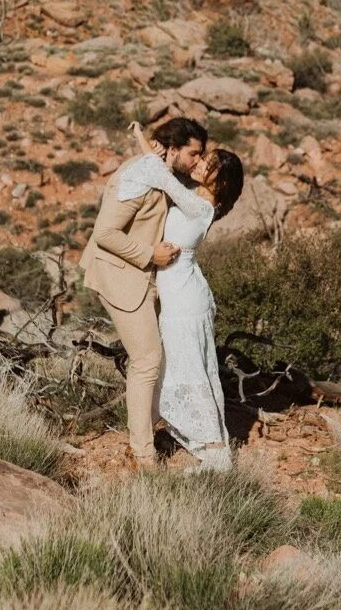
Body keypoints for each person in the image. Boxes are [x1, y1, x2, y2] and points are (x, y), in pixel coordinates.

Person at [82, 117, 207, 467]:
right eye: (194, 154)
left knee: (157, 358)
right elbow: (104, 233)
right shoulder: (138, 176)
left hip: (146, 279)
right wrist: (150, 254)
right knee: (147, 359)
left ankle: (145, 433)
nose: (197, 161)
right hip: (119, 276)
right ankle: (142, 454)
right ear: (173, 149)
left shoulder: (162, 172)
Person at [122, 121, 244, 470]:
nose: (201, 163)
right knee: (177, 366)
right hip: (180, 295)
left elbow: (162, 179)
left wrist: (143, 141)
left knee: (189, 371)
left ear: (220, 182)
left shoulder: (201, 207)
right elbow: (165, 176)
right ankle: (172, 439)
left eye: (210, 164)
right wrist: (147, 143)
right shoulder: (194, 197)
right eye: (203, 157)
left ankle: (215, 452)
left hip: (184, 300)